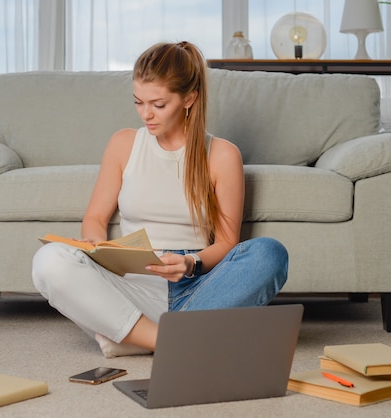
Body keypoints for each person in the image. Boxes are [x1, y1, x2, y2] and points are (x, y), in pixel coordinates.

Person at [32, 41, 288, 358]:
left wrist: (190, 263)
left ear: (189, 99)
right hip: (132, 284)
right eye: (138, 102)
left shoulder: (222, 155)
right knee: (49, 260)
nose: (146, 114)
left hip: (196, 288)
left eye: (158, 104)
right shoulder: (123, 143)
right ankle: (173, 340)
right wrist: (94, 246)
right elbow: (96, 219)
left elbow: (225, 242)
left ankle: (131, 337)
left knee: (270, 253)